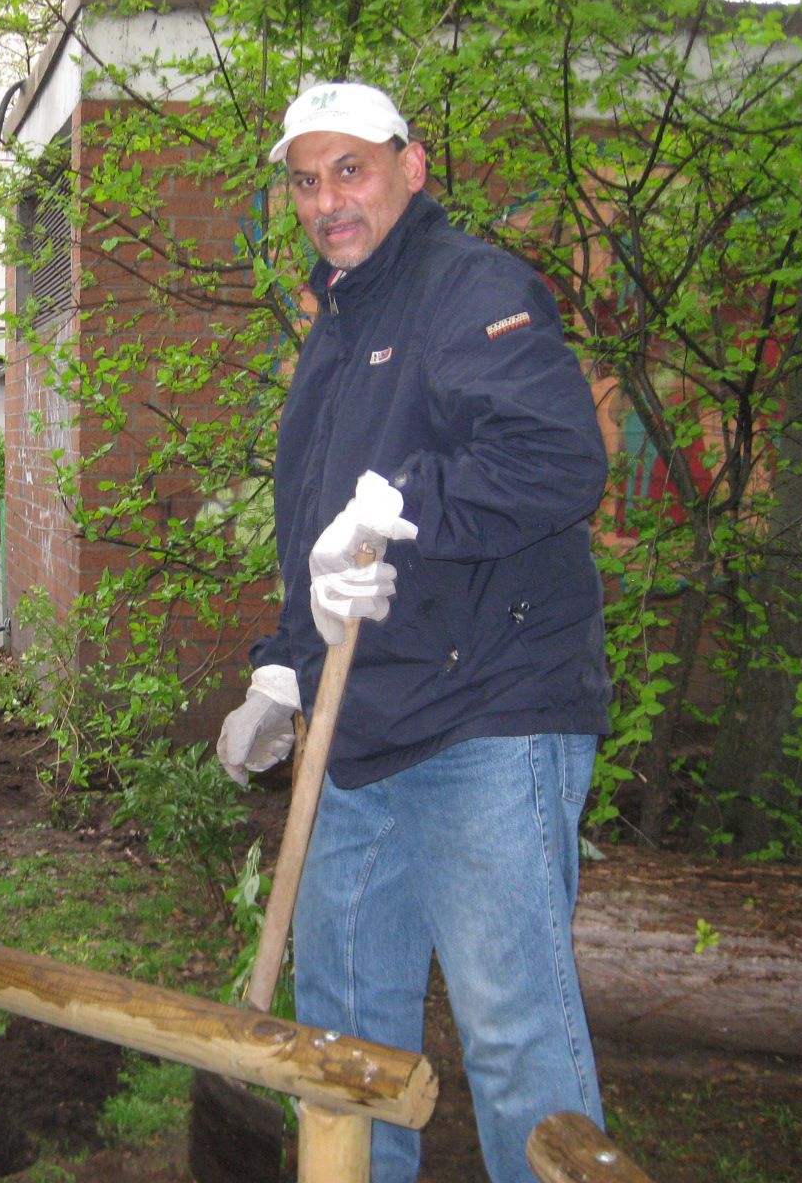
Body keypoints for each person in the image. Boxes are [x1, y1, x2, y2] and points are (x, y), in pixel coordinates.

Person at [216, 82, 611, 1182]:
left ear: (411, 166)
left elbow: (558, 463)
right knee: (346, 1024)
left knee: (512, 1031)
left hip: (489, 713)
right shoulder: (337, 326)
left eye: (352, 169)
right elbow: (319, 542)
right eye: (305, 179)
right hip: (360, 724)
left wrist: (398, 507)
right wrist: (282, 677)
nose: (327, 199)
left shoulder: (470, 289)